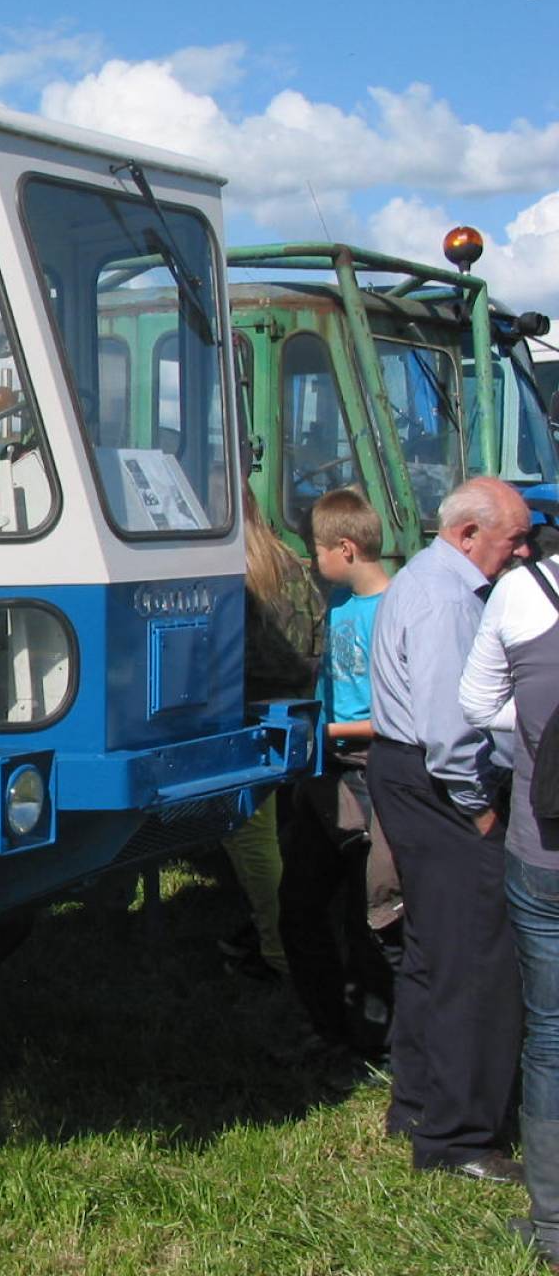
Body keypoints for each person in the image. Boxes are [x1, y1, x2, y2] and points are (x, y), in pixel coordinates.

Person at [370, 476, 529, 1182]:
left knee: (435, 947)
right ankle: (460, 1139)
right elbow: (451, 724)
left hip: (410, 773)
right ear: (468, 536)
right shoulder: (446, 599)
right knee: (476, 959)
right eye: (513, 540)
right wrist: (477, 803)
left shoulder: (429, 581)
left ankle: (419, 1103)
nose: (522, 552)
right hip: (439, 783)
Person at [278, 487, 400, 1064]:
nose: (312, 560)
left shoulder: (395, 611)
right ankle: (327, 1023)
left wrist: (323, 733)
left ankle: (370, 1036)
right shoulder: (339, 602)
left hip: (368, 772)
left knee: (366, 916)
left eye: (317, 550)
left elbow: (397, 715)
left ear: (346, 548)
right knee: (299, 905)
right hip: (325, 769)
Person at [464, 525, 559, 1262]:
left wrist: (534, 723)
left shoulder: (525, 591)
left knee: (551, 1039)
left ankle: (554, 1226)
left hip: (545, 845)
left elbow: (475, 705)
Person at [221, 487, 324, 981]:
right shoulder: (291, 561)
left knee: (251, 840)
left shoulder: (227, 573)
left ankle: (279, 950)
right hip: (299, 711)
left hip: (246, 717)